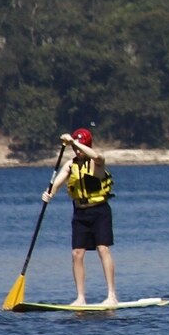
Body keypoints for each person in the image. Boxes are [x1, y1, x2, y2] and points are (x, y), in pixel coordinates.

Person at [44, 127, 118, 307]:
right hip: (80, 213)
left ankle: (111, 295)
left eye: (80, 147)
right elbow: (58, 182)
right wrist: (49, 194)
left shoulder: (97, 162)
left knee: (103, 249)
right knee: (77, 253)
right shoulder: (70, 165)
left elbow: (96, 155)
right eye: (75, 149)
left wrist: (74, 142)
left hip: (99, 211)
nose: (77, 151)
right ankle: (80, 297)